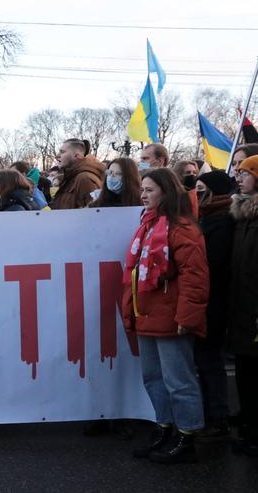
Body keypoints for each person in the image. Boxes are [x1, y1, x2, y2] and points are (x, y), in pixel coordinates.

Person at [122, 168, 208, 464]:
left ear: (166, 192)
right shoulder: (147, 225)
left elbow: (195, 277)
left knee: (179, 381)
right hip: (147, 314)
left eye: (150, 190)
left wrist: (187, 316)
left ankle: (187, 435)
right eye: (142, 189)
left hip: (171, 318)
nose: (143, 195)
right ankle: (165, 427)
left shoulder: (182, 228)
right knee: (153, 378)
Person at [193, 170, 235, 439]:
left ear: (213, 191)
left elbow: (214, 262)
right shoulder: (206, 217)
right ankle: (211, 412)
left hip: (214, 300)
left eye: (200, 188)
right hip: (206, 299)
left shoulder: (222, 221)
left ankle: (218, 416)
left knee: (209, 359)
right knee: (203, 359)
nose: (196, 193)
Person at [228, 154, 258, 456]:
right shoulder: (241, 216)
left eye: (245, 173)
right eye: (238, 173)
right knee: (245, 368)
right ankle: (248, 420)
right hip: (242, 305)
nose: (239, 178)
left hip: (254, 308)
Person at [50, 139, 105, 210]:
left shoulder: (84, 178)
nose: (57, 155)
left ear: (77, 155)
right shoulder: (71, 176)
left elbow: (94, 213)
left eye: (62, 152)